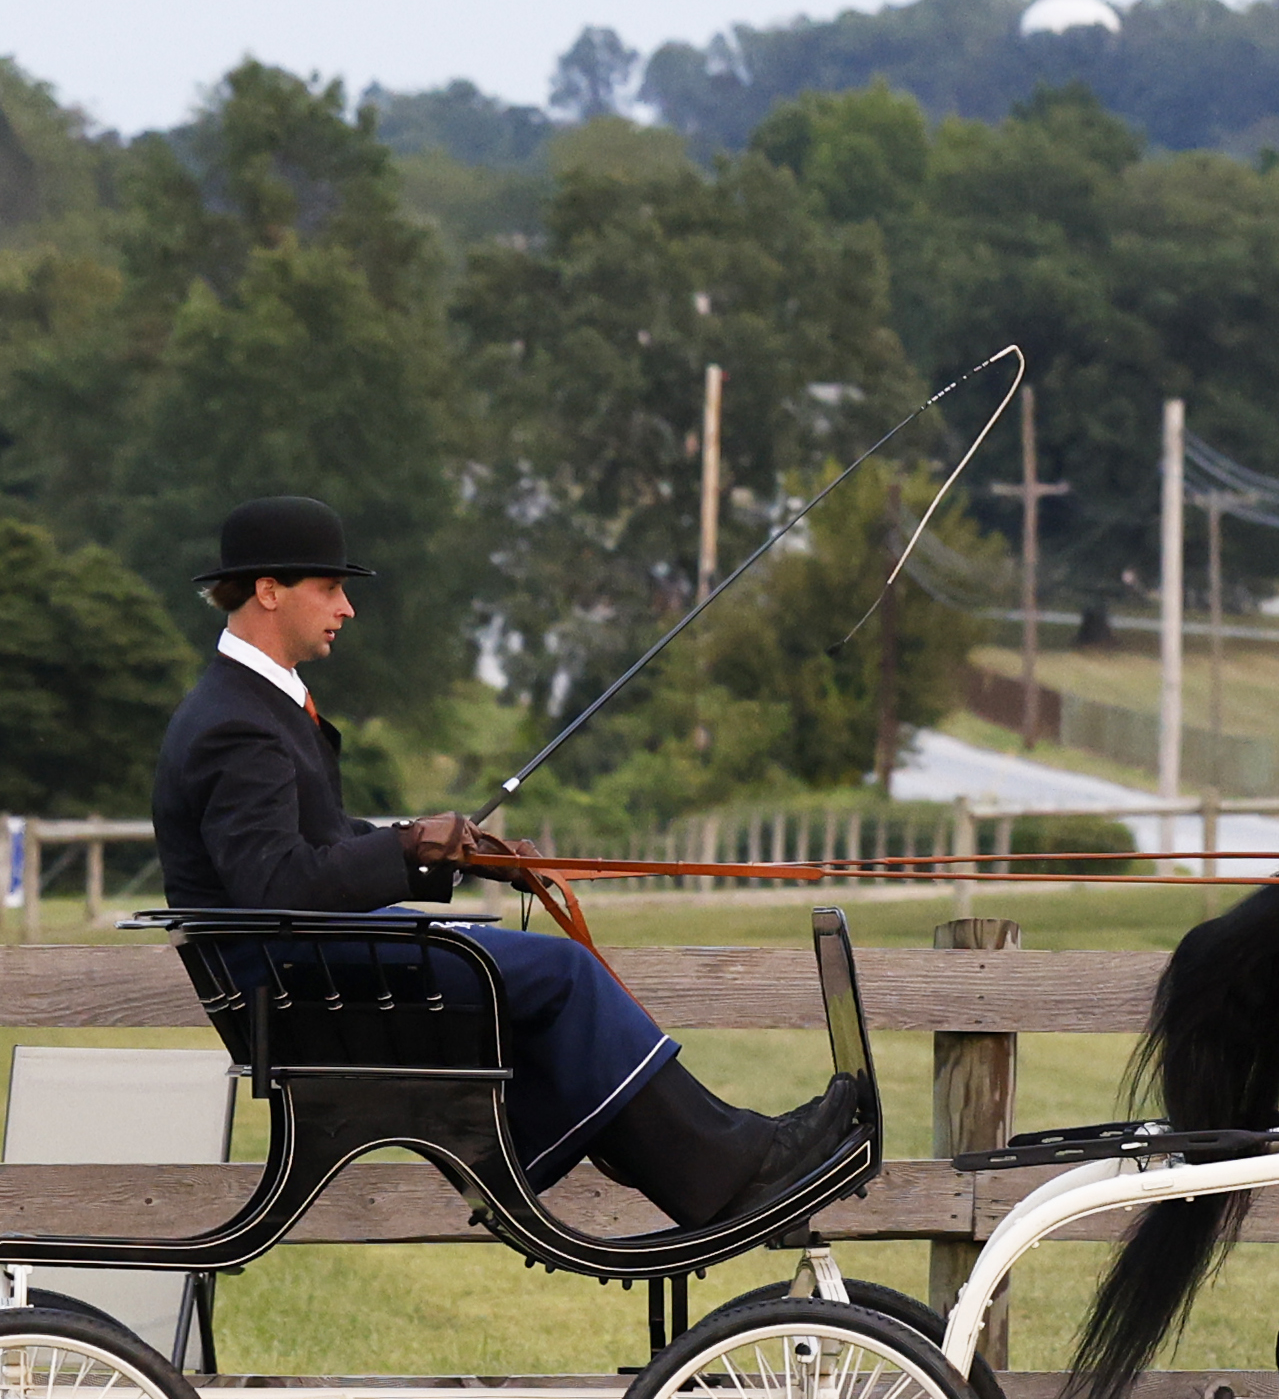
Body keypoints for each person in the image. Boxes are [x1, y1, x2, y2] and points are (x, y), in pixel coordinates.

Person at [152, 494, 858, 1231]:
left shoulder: (253, 704)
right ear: (269, 591)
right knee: (560, 973)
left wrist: (453, 853)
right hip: (297, 977)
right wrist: (407, 847)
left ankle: (724, 1159)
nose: (347, 608)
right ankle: (730, 1167)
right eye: (330, 589)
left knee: (541, 974)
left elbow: (317, 841)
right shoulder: (237, 722)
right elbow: (276, 883)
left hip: (309, 962)